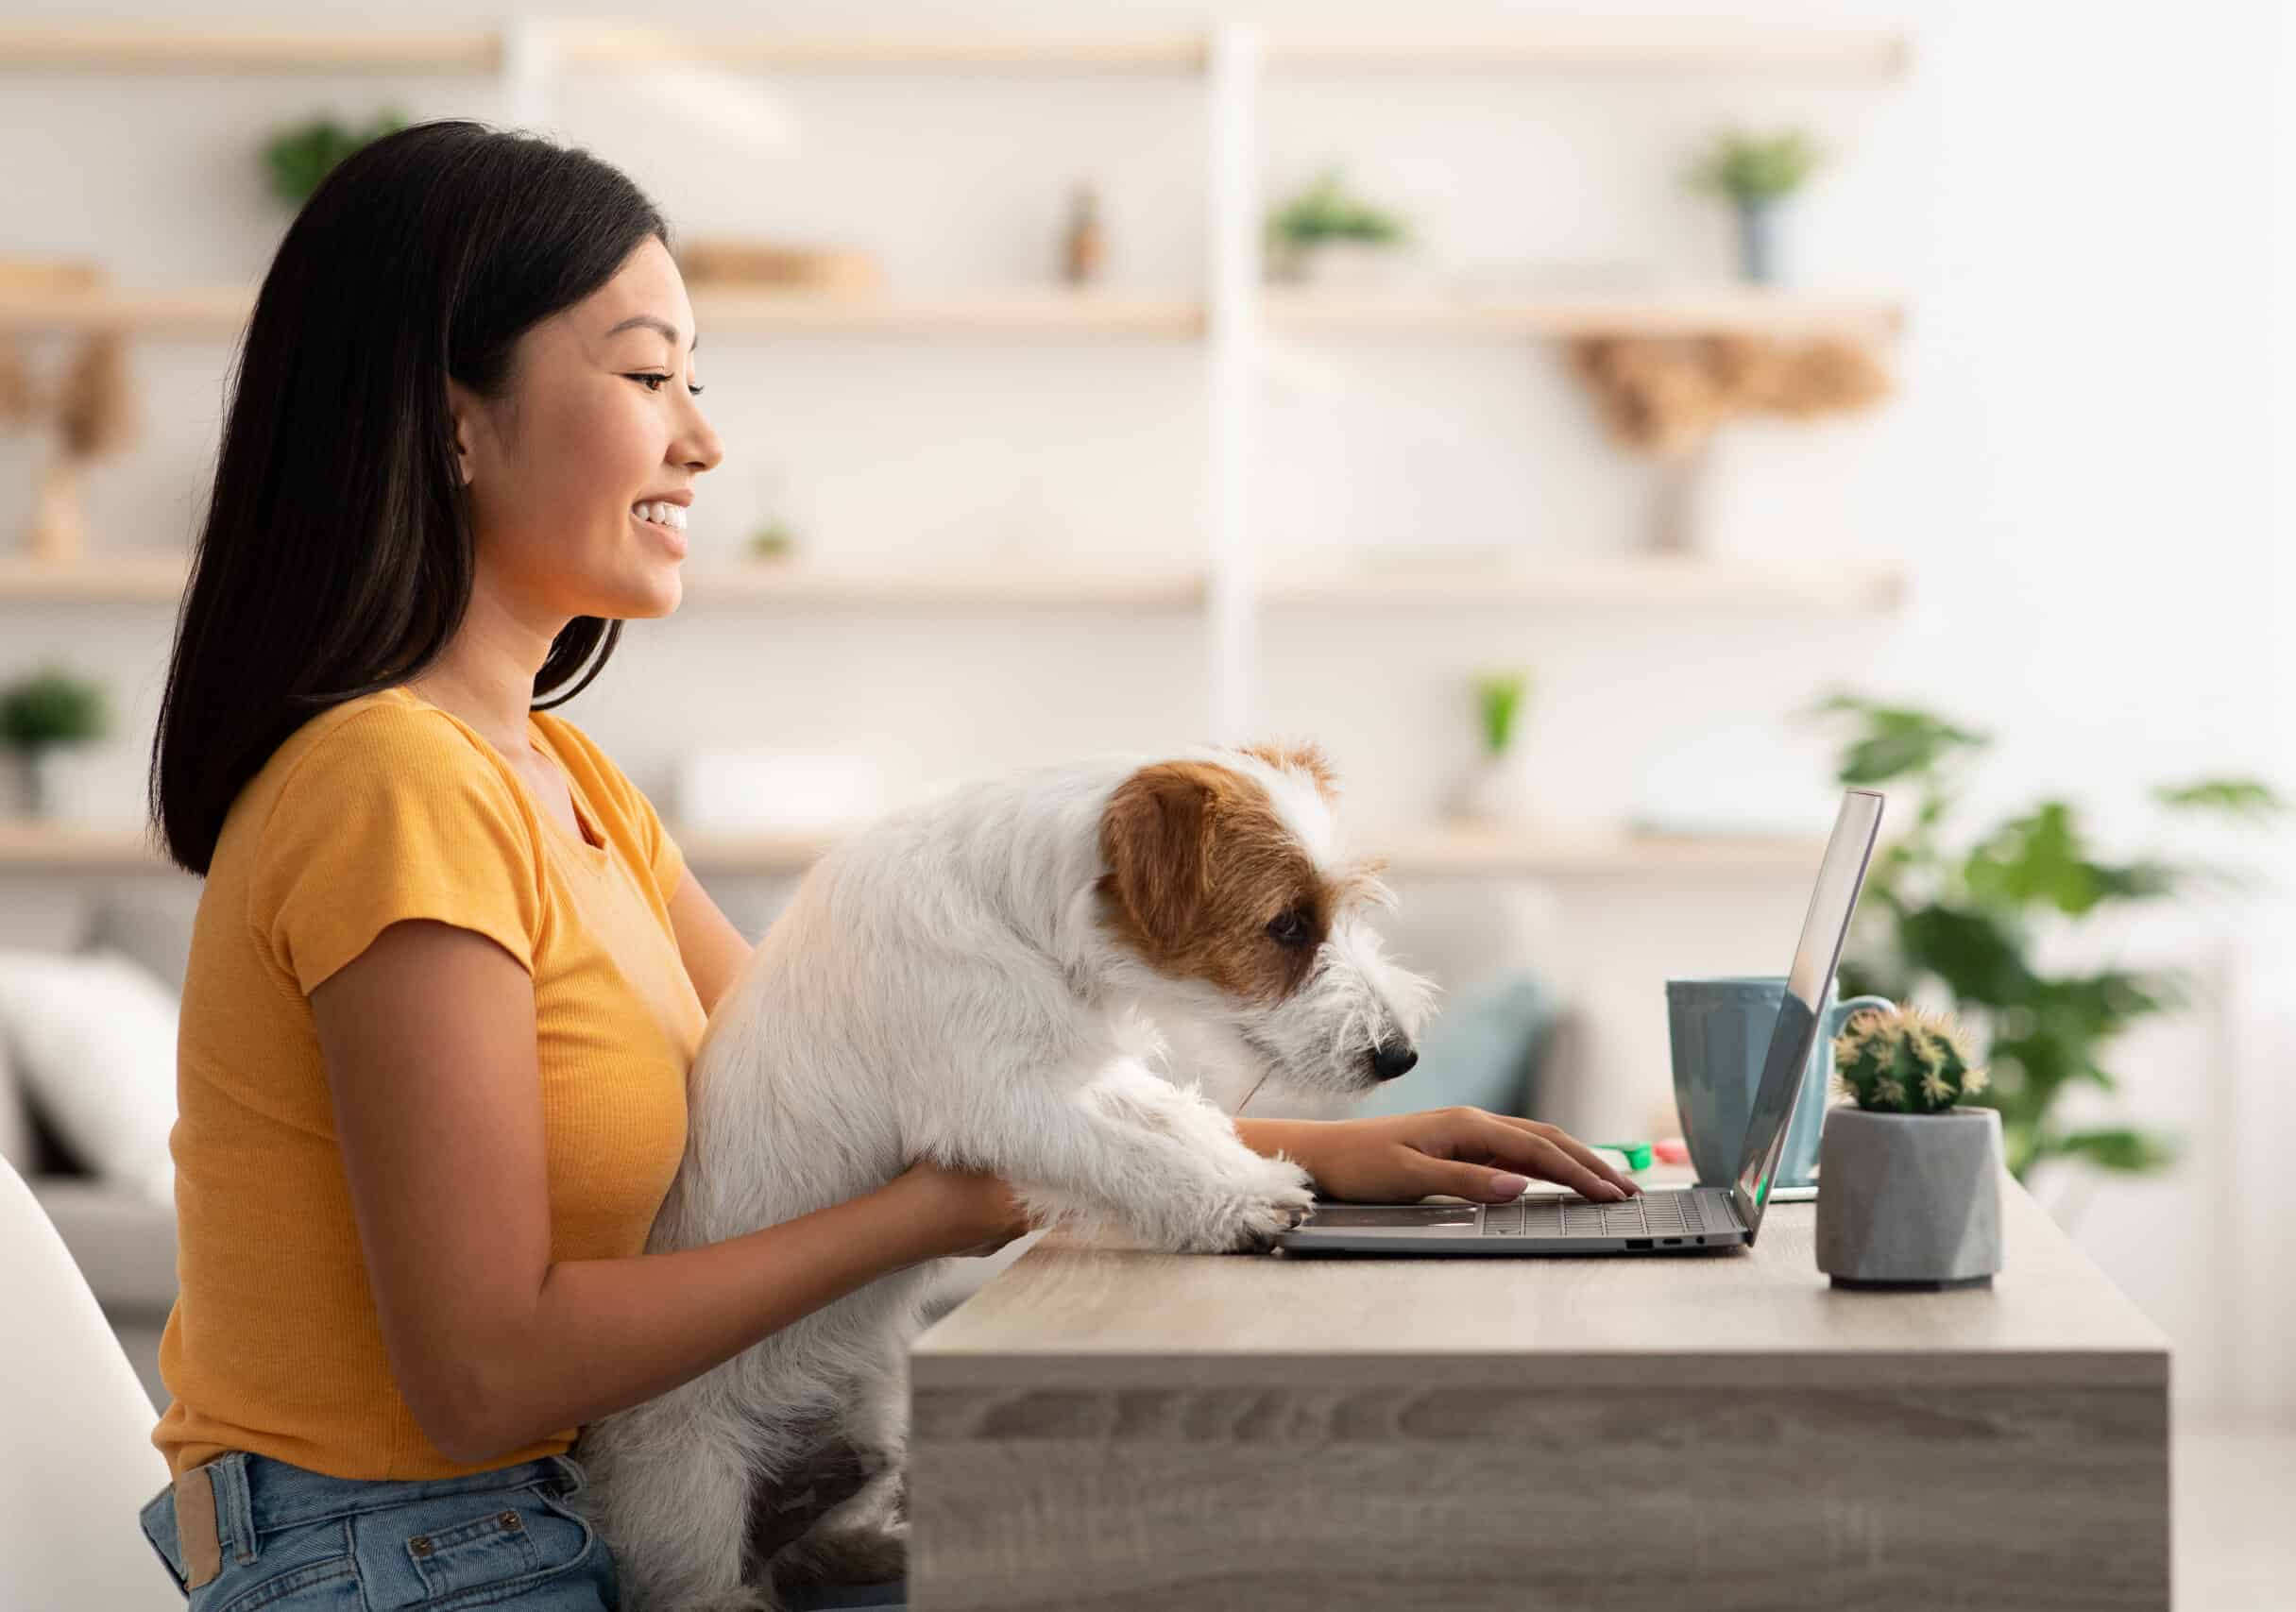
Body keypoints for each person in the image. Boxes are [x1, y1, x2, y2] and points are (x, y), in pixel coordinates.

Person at [138, 121, 1633, 1610]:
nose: (704, 439)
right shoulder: (392, 786)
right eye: (650, 376)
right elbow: (479, 1375)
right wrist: (933, 1214)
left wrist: (1365, 1154)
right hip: (414, 1555)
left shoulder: (562, 779)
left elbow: (898, 1078)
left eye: (697, 384)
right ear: (449, 417)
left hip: (573, 1510)